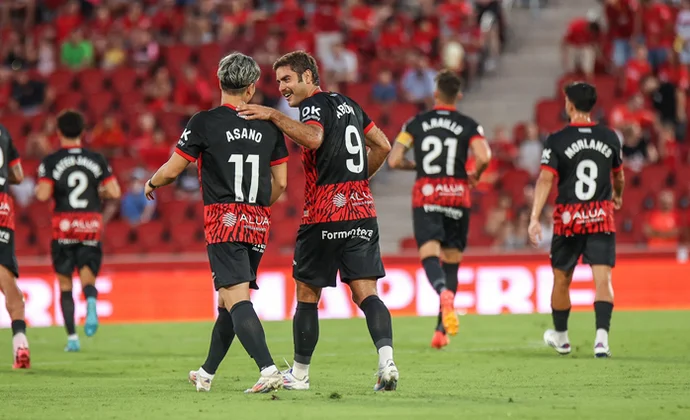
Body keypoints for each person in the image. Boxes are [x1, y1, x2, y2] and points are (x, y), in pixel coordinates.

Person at [237, 50, 397, 392]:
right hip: (361, 209)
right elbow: (383, 145)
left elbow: (313, 138)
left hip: (324, 213)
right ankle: (387, 362)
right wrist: (355, 181)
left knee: (307, 294)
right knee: (366, 294)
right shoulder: (350, 104)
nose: (282, 87)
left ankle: (299, 374)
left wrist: (273, 115)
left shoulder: (312, 104)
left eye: (287, 79)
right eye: (278, 81)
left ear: (308, 77)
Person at [144, 52, 289, 394]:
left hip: (224, 219)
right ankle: (206, 373)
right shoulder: (269, 125)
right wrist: (254, 208)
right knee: (227, 301)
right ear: (251, 89)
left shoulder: (204, 122)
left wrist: (151, 183)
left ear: (220, 83)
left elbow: (173, 169)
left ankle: (268, 369)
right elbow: (281, 183)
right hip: (257, 221)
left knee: (236, 297)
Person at [387, 70, 492, 349]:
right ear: (459, 95)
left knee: (430, 254)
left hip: (428, 193)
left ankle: (441, 290)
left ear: (435, 94)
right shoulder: (469, 124)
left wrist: (416, 166)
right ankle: (440, 331)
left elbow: (394, 160)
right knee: (452, 261)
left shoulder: (415, 123)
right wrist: (475, 174)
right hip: (457, 194)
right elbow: (484, 156)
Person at [528, 82, 625, 358]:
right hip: (600, 216)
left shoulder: (557, 139)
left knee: (562, 278)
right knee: (603, 279)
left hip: (569, 218)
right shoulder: (609, 137)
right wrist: (617, 196)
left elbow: (545, 179)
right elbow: (618, 175)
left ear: (569, 105)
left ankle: (561, 338)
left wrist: (534, 217)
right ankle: (601, 340)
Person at [35, 110, 121, 352]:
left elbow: (42, 195)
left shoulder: (51, 161)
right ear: (83, 132)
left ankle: (72, 338)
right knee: (87, 274)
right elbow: (114, 191)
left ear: (58, 132)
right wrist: (97, 191)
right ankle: (91, 299)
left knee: (65, 284)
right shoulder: (97, 159)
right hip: (90, 223)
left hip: (64, 225)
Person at [0, 122, 30, 369]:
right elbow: (18, 175)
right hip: (2, 208)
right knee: (6, 279)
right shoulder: (3, 131)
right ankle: (20, 343)